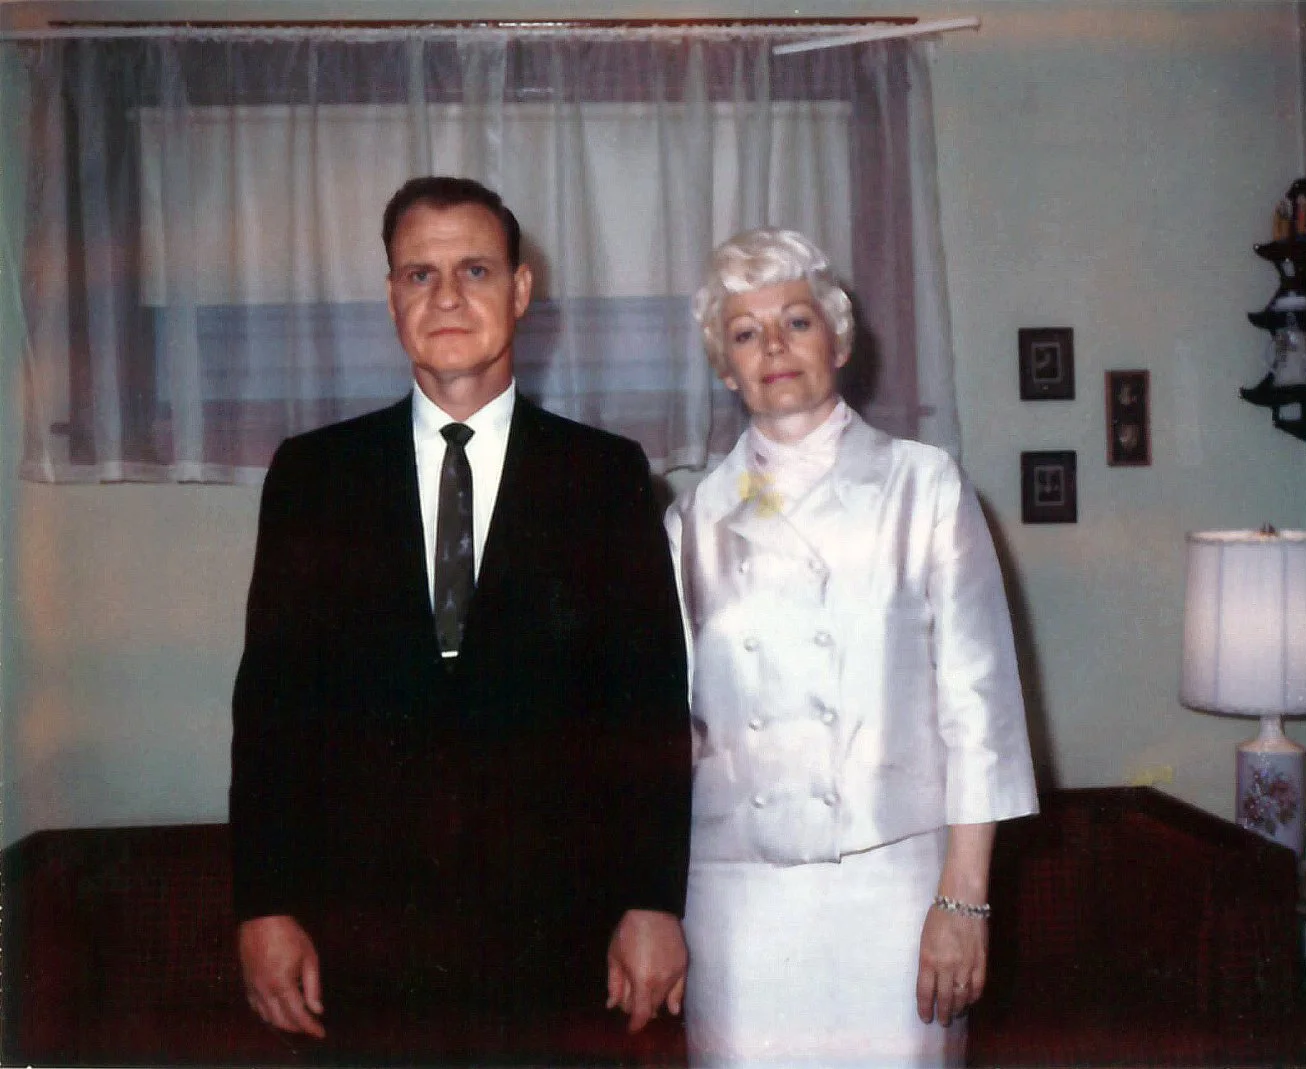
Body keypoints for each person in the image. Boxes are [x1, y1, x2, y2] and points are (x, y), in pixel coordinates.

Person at [230, 176, 692, 1061]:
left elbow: (649, 705)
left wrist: (652, 900)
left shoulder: (603, 476)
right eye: (419, 274)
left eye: (474, 270)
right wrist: (264, 902)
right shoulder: (313, 477)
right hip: (360, 940)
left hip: (558, 934)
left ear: (521, 290)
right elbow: (272, 708)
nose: (446, 297)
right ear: (391, 297)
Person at [667, 228, 1038, 1068]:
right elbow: (669, 733)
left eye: (795, 321)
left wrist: (964, 900)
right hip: (738, 899)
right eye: (745, 331)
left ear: (837, 338)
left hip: (899, 888)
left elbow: (978, 710)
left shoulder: (925, 486)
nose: (774, 347)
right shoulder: (688, 525)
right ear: (725, 368)